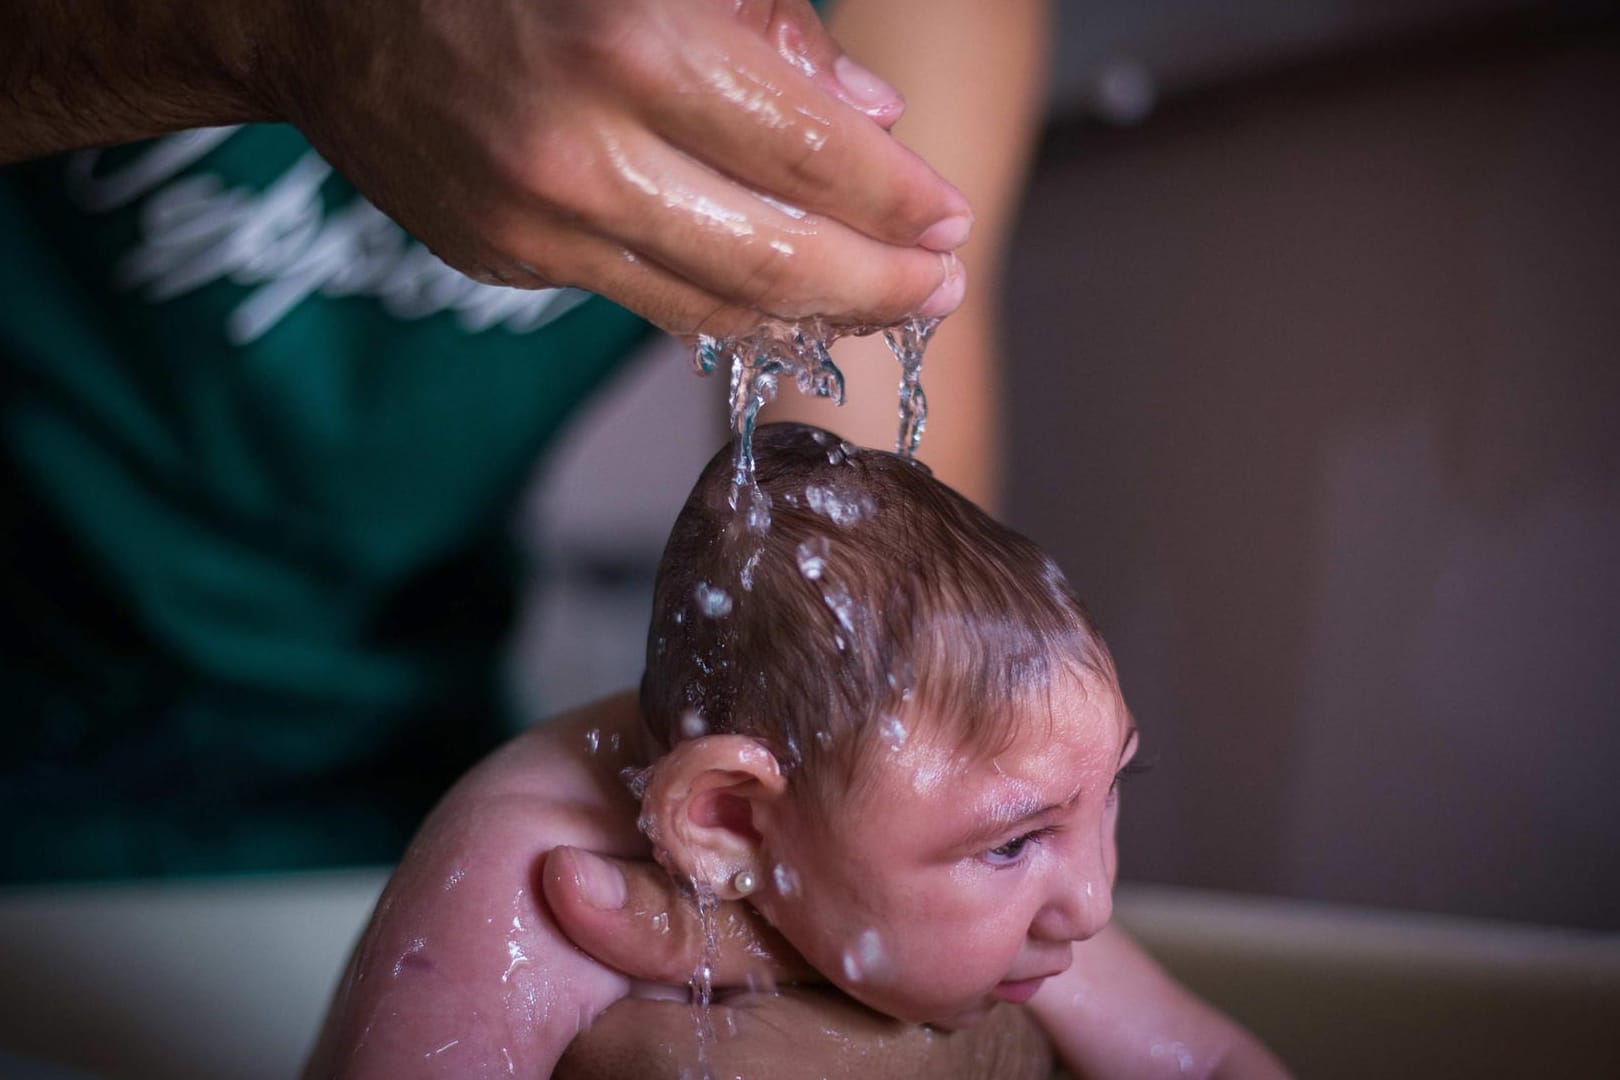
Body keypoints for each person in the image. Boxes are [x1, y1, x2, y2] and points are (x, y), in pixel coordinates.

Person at [307, 423, 1287, 1077]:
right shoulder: (516, 878)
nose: (1095, 901)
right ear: (730, 818)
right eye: (1013, 844)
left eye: (1110, 792)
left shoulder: (1004, 873)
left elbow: (1210, 1066)